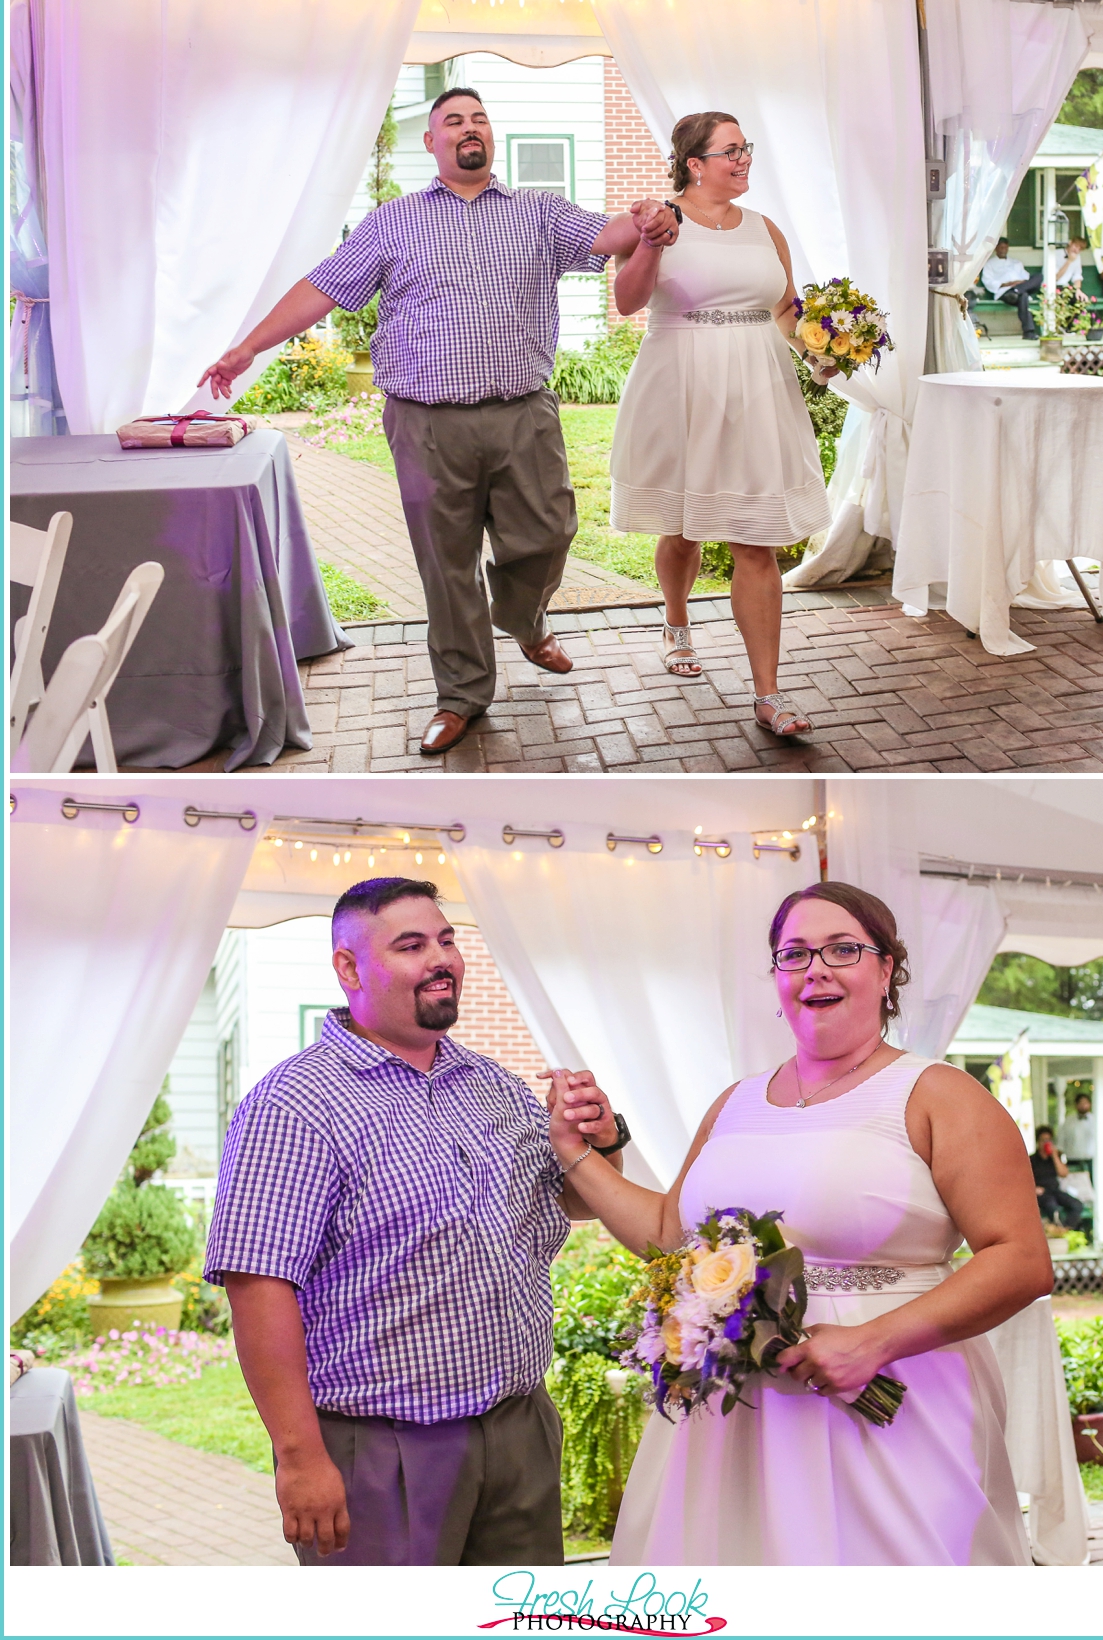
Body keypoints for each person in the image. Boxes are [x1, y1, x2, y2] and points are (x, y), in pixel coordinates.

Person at [547, 881, 1051, 1565]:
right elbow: (671, 1236)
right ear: (778, 978)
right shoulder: (736, 1102)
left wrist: (871, 1342)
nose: (817, 968)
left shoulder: (938, 1094)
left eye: (843, 949)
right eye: (794, 954)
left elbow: (1020, 1258)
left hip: (893, 1406)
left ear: (886, 970)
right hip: (737, 1419)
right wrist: (578, 1155)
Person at [199, 88, 679, 757]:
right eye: (452, 121)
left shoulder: (537, 211)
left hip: (524, 414)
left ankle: (523, 617)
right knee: (447, 564)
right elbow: (323, 286)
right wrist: (250, 345)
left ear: (491, 138)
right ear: (432, 143)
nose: (468, 128)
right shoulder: (393, 222)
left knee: (550, 530)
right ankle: (462, 694)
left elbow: (610, 235)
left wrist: (653, 214)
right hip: (426, 424)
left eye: (479, 118)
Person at [202, 876, 626, 1566]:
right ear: (349, 968)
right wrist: (300, 1457)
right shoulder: (293, 1104)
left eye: (447, 939)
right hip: (384, 1452)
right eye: (411, 945)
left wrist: (597, 1143)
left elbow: (572, 1202)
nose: (443, 959)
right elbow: (258, 1287)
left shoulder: (492, 1083)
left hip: (519, 1430)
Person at [607, 112, 835, 741]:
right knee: (684, 528)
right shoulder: (656, 222)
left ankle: (769, 694)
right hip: (680, 385)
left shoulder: (766, 229)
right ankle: (676, 624)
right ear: (693, 162)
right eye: (730, 150)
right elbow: (626, 303)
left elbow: (785, 309)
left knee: (755, 538)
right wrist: (652, 243)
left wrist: (822, 348)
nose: (743, 160)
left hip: (758, 389)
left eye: (745, 149)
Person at [979, 238, 1041, 340]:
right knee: (1024, 296)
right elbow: (988, 281)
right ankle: (1028, 332)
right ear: (996, 248)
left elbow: (1026, 278)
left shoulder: (1016, 263)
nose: (1003, 250)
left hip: (1019, 289)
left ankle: (1018, 290)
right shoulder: (990, 264)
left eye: (1005, 247)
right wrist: (1006, 284)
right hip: (1005, 292)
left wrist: (1017, 284)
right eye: (1001, 247)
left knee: (1038, 277)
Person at [1030, 1125, 1084, 1230]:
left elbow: (1064, 1173)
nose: (1046, 1143)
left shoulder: (1055, 1159)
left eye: (1048, 1140)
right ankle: (1058, 1230)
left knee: (1077, 1205)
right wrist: (1034, 1189)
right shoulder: (1032, 1160)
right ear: (1038, 1142)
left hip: (1055, 1190)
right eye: (1043, 1140)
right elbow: (1024, 1179)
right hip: (1042, 1193)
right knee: (1053, 1208)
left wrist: (1054, 1155)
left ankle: (1065, 1230)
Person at [1059, 1090, 1097, 1180]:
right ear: (1076, 1105)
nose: (1083, 1105)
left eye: (1086, 1103)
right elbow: (1060, 1144)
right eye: (1081, 1103)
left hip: (1091, 1161)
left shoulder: (1096, 1120)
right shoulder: (1068, 1121)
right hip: (1073, 1161)